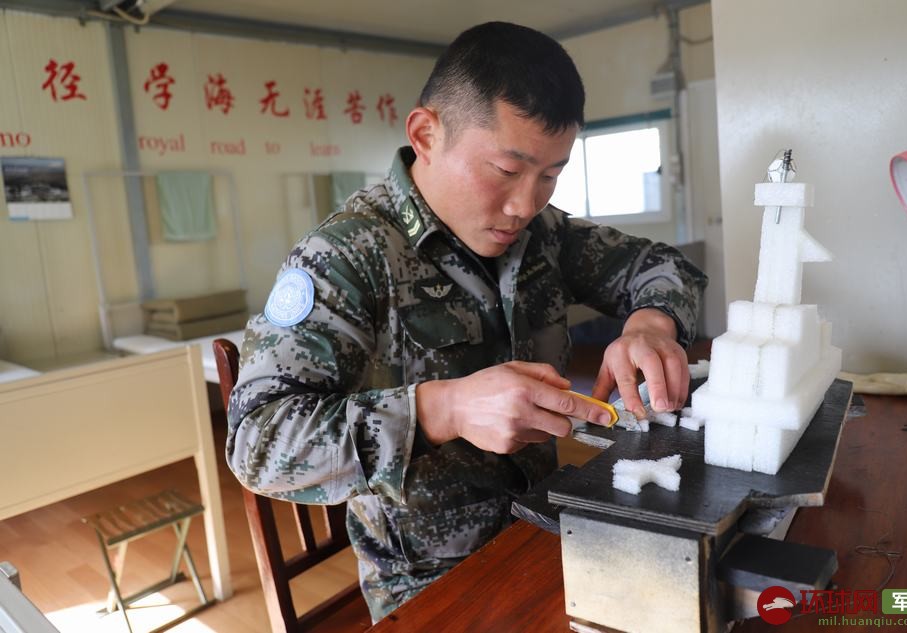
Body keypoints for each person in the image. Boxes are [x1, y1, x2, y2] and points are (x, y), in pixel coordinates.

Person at [226, 21, 708, 622]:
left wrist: (651, 326)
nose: (525, 205)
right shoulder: (346, 257)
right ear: (426, 134)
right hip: (430, 581)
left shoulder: (541, 235)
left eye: (551, 175)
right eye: (506, 170)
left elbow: (664, 266)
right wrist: (444, 409)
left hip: (544, 529)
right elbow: (258, 443)